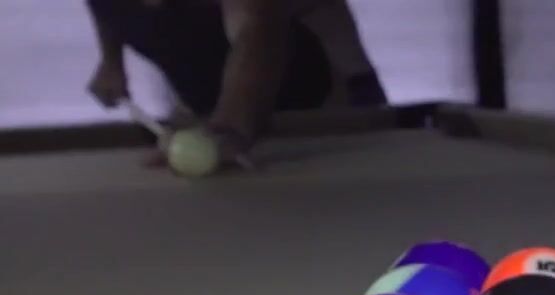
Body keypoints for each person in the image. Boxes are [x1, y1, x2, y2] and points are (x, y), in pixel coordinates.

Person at [86, 0, 387, 168]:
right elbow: (106, 8)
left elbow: (256, 27)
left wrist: (232, 127)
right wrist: (111, 62)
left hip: (323, 103)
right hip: (210, 93)